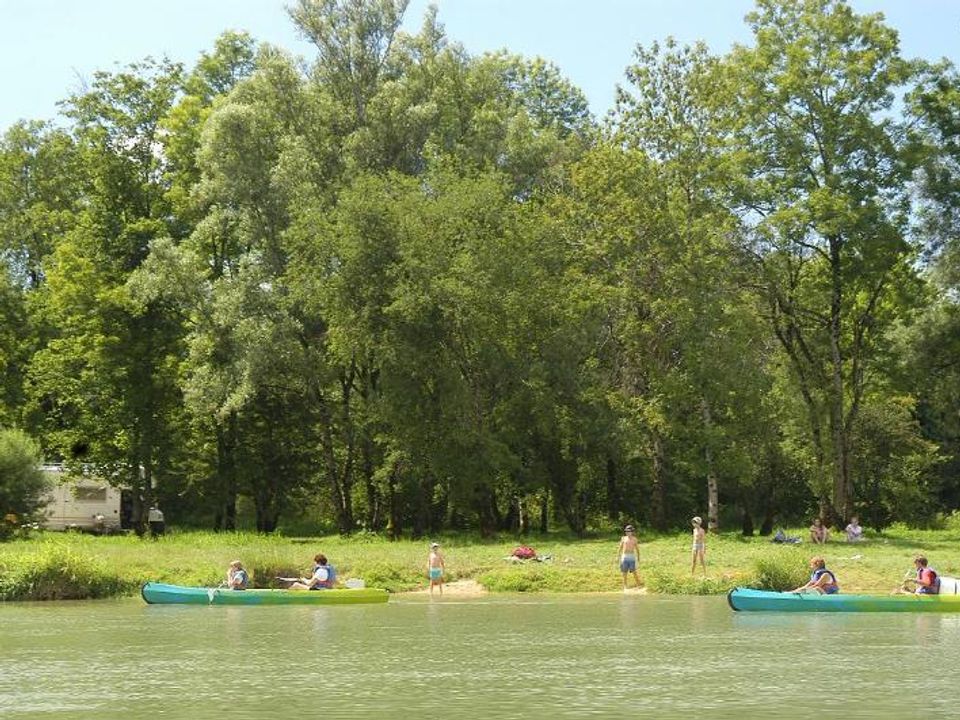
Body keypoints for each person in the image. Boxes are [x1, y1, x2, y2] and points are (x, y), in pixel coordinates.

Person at [617, 524, 642, 590]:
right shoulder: (623, 538)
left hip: (631, 557)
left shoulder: (634, 539)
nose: (627, 532)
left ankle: (638, 585)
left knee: (634, 571)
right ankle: (625, 586)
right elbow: (620, 548)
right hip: (624, 556)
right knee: (624, 572)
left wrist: (638, 557)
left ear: (632, 532)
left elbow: (637, 549)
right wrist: (618, 556)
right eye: (626, 531)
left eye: (629, 531)